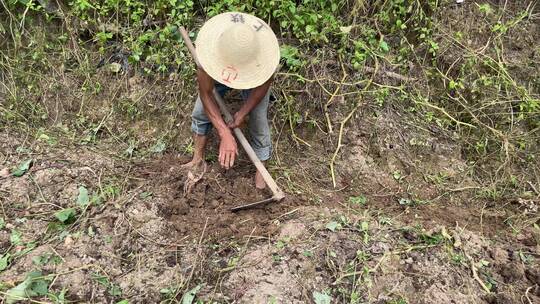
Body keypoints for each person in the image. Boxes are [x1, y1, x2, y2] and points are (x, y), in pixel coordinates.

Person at [182, 12, 280, 189]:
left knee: (258, 120)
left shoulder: (264, 62)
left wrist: (243, 113)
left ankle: (261, 169)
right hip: (219, 71)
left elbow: (261, 89)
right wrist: (224, 132)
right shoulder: (209, 58)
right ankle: (197, 158)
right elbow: (206, 94)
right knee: (199, 112)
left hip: (252, 72)